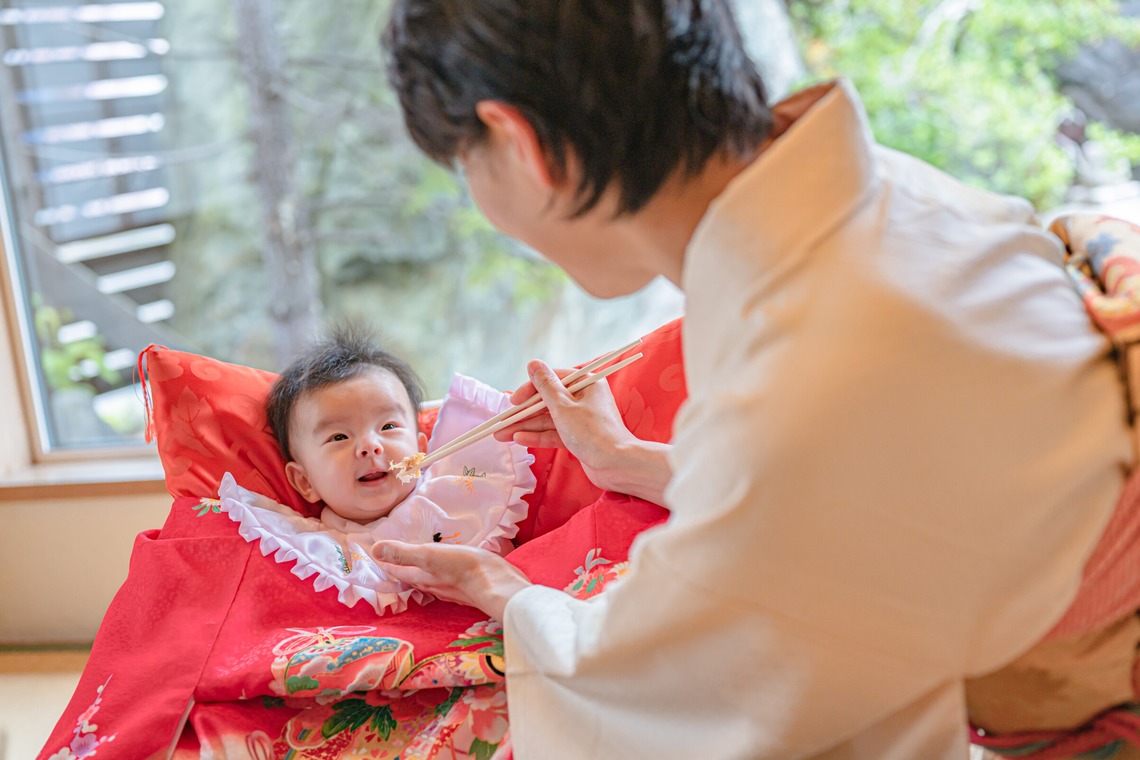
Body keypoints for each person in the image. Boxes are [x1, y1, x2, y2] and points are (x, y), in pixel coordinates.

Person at [370, 1, 1139, 757]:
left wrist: (509, 598)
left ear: (521, 144)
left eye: (467, 164)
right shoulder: (877, 195)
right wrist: (630, 460)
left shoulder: (808, 383)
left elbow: (691, 692)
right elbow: (881, 490)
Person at [218, 325, 535, 615]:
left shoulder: (461, 494)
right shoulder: (315, 553)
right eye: (339, 437)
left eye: (388, 426)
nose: (370, 446)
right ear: (304, 481)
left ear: (421, 449)